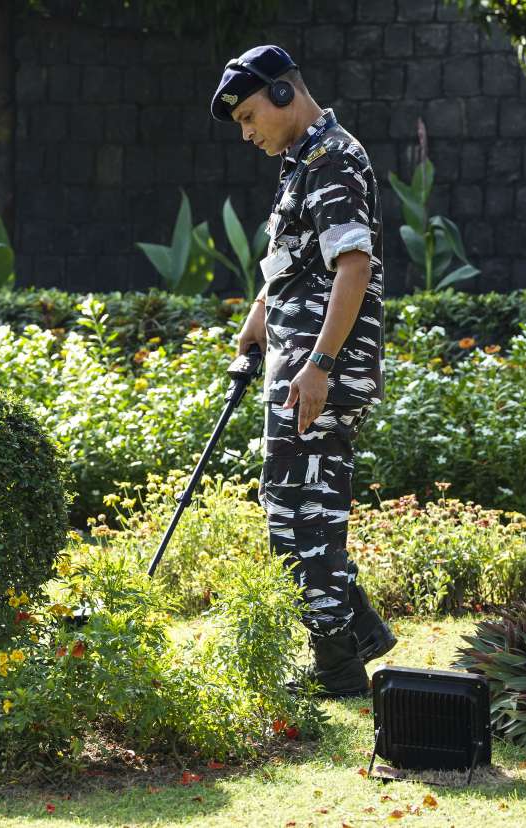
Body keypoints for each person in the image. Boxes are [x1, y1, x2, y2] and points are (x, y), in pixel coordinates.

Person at [210, 44, 396, 698]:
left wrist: (318, 363)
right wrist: (256, 323)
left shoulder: (335, 159)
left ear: (285, 95)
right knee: (285, 512)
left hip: (322, 369)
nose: (246, 131)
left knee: (308, 518)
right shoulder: (300, 165)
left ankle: (339, 669)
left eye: (249, 115)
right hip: (296, 363)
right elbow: (296, 262)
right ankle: (359, 634)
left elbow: (354, 265)